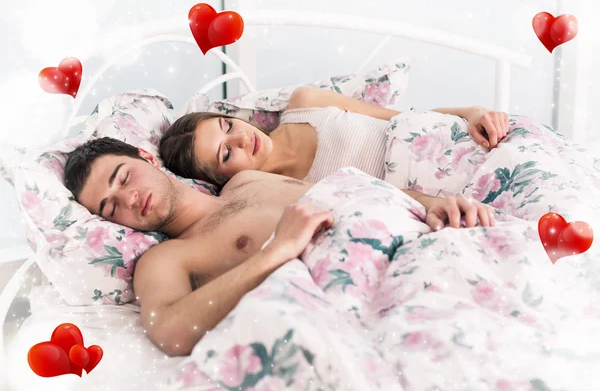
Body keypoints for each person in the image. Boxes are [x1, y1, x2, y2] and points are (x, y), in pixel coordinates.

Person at [64, 137, 496, 357]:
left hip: (427, 249)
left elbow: (361, 190)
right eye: (109, 206)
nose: (127, 199)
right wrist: (276, 251)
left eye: (123, 178)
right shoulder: (165, 258)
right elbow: (170, 332)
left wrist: (433, 204)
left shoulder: (246, 179)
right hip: (366, 306)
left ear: (146, 157)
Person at [159, 86, 510, 187]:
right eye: (224, 154)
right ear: (220, 179)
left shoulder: (304, 103)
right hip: (455, 193)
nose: (240, 139)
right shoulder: (283, 195)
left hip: (474, 139)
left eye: (227, 126)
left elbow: (402, 118)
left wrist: (472, 111)